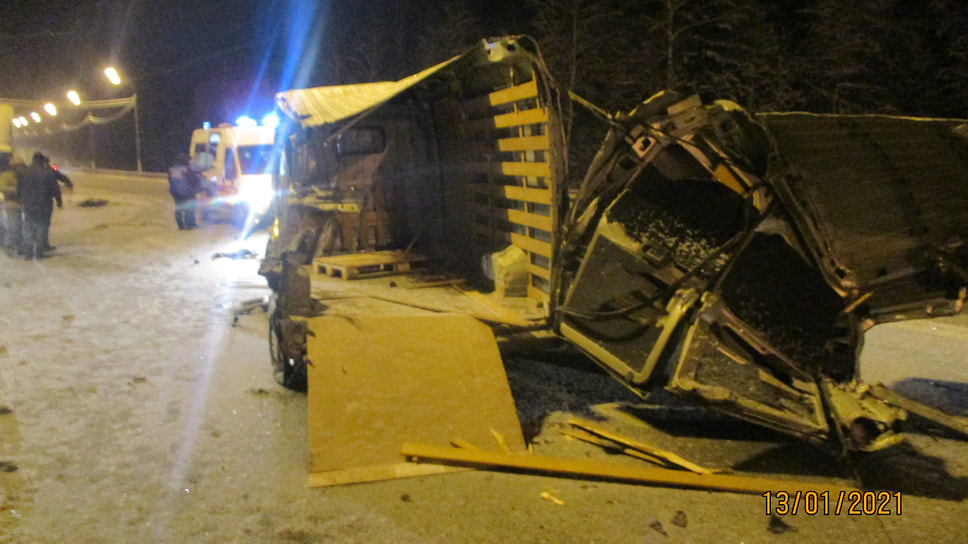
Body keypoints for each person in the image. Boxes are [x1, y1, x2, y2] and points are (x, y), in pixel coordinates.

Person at [18, 152, 62, 259]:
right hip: (44, 204)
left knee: (28, 226)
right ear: (42, 161)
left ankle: (29, 250)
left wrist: (21, 200)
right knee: (42, 226)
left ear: (33, 160)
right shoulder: (48, 173)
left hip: (28, 204)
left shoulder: (24, 172)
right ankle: (39, 251)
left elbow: (19, 188)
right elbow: (55, 188)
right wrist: (59, 201)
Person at [0, 154, 27, 257]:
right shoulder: (7, 175)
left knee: (21, 227)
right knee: (13, 226)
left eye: (22, 166)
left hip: (23, 204)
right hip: (12, 203)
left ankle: (20, 246)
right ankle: (10, 246)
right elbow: (2, 187)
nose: (20, 168)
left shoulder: (24, 175)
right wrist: (16, 190)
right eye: (18, 166)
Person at [168, 153, 202, 230]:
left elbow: (170, 180)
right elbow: (193, 180)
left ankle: (180, 225)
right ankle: (190, 224)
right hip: (187, 191)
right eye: (189, 160)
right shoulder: (187, 169)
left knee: (179, 208)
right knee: (189, 208)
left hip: (175, 192)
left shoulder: (172, 169)